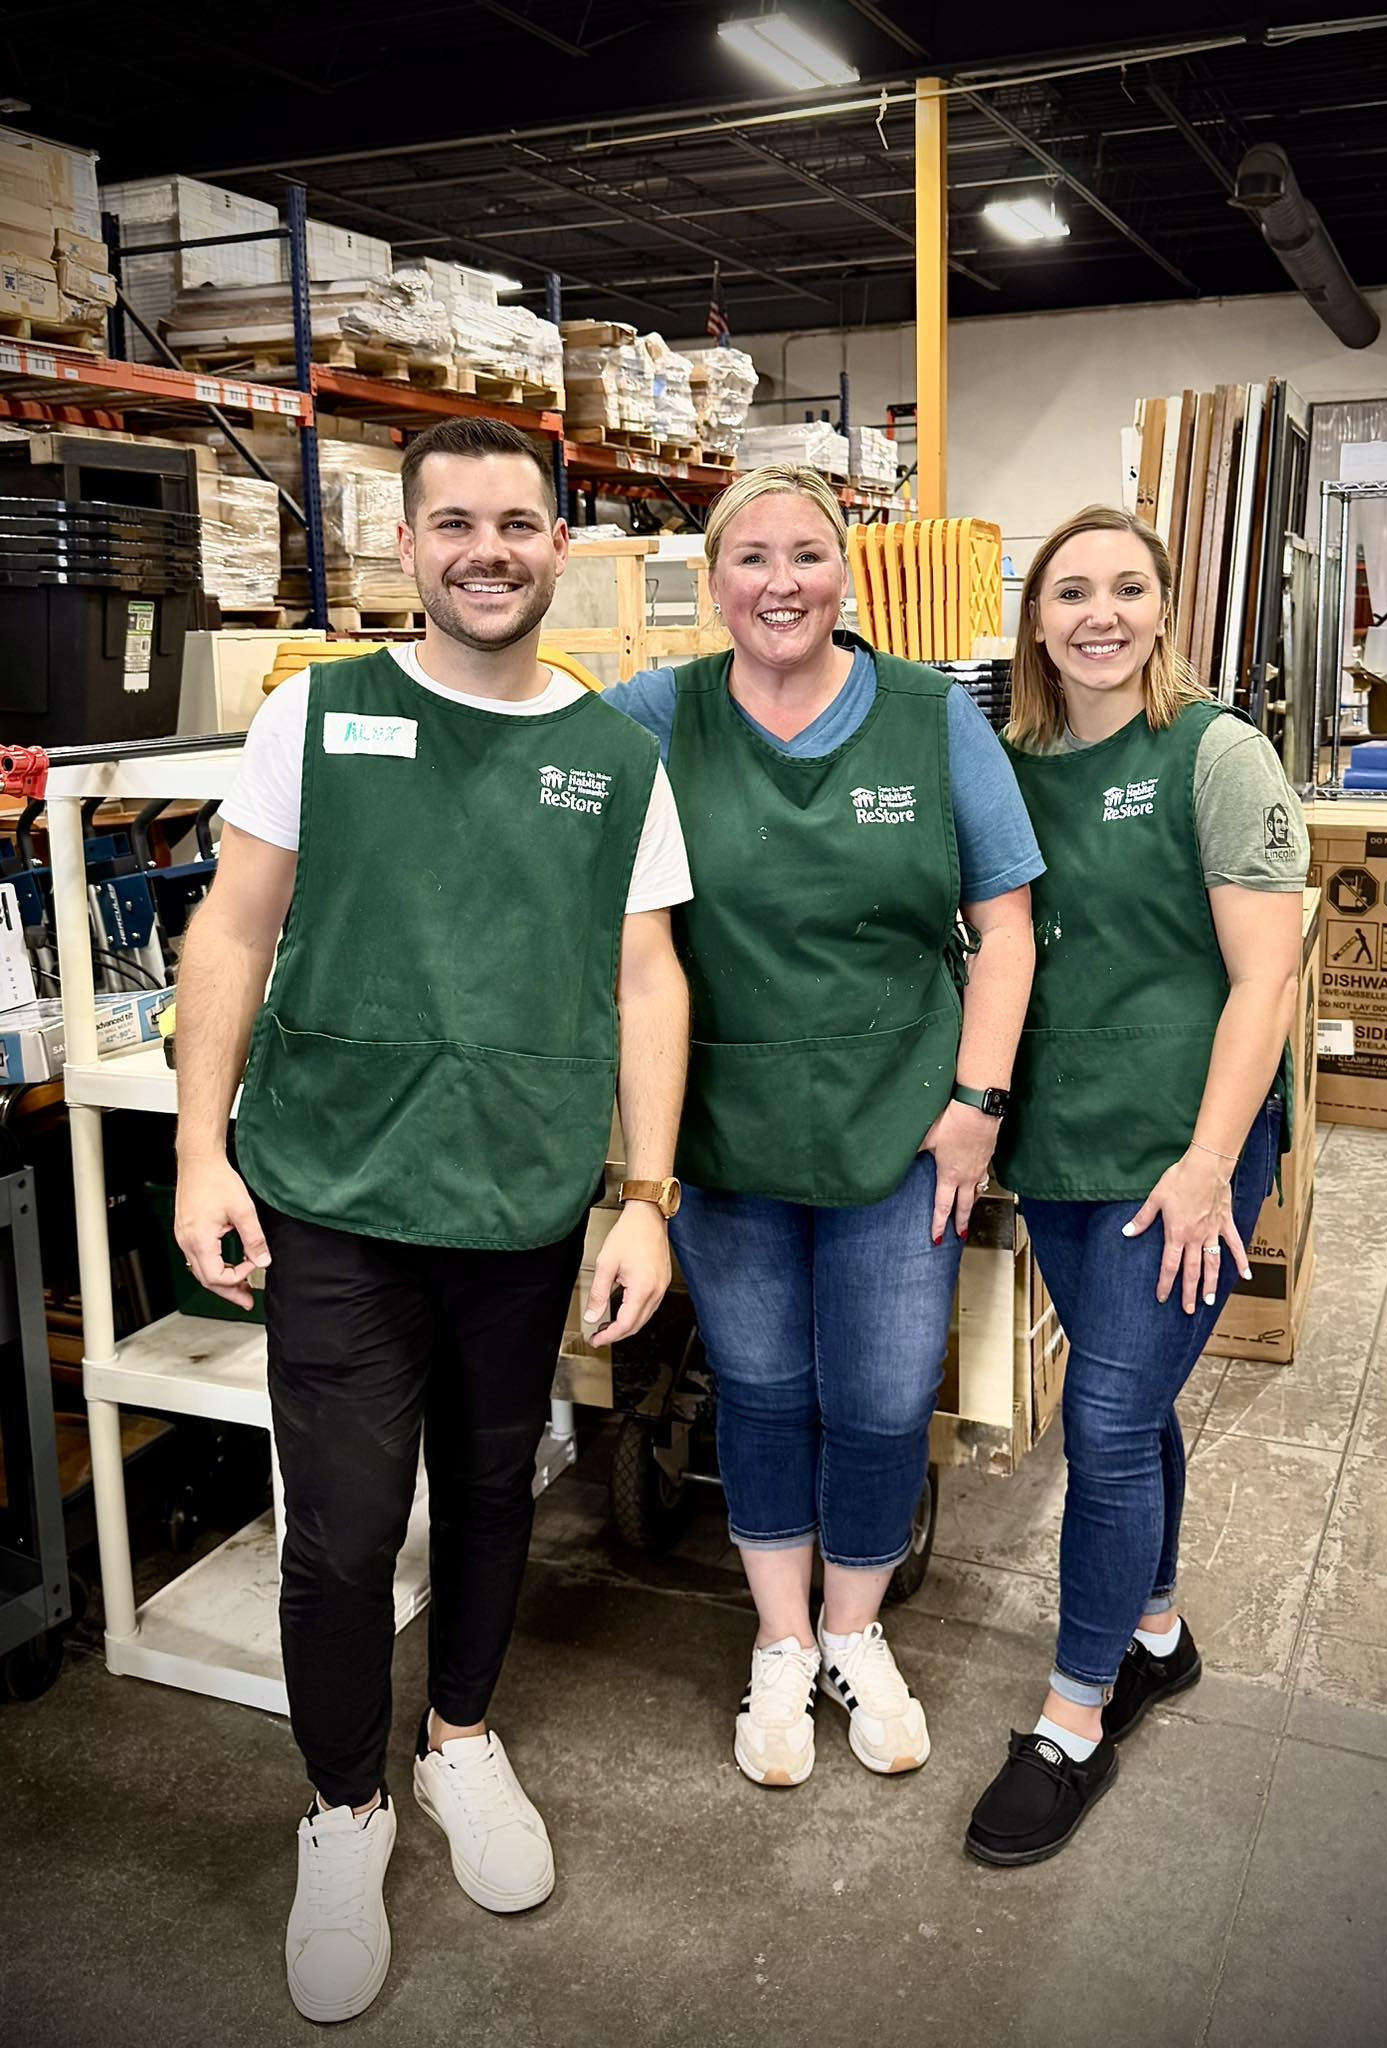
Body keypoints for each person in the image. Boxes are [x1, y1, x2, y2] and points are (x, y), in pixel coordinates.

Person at [173, 417, 692, 2023]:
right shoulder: (316, 716)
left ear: (560, 544)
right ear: (410, 547)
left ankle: (460, 1740)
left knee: (486, 1496)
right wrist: (202, 1151)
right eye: (454, 521)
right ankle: (344, 1806)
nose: (489, 548)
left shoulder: (610, 756)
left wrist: (643, 1195)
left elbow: (646, 977)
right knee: (336, 1534)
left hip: (517, 1201)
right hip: (329, 1194)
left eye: (519, 522)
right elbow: (231, 934)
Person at [605, 465, 1043, 1789]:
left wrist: (973, 1107)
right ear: (712, 578)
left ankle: (855, 1634)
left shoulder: (925, 718)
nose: (779, 582)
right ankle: (780, 1648)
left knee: (877, 1396)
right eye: (750, 558)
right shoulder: (653, 715)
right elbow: (518, 764)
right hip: (729, 1134)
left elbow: (1005, 925)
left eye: (805, 554)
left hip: (899, 1131)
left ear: (844, 573)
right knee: (761, 1390)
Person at [964, 505, 1307, 1869]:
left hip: (1185, 1153)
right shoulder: (1008, 765)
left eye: (1125, 589)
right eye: (1069, 593)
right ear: (1035, 621)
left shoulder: (1214, 756)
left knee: (1101, 1425)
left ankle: (1071, 1717)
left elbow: (1263, 977)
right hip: (1062, 1142)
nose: (1096, 614)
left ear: (1162, 610)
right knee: (1130, 1390)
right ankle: (1155, 1634)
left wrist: (1211, 1162)